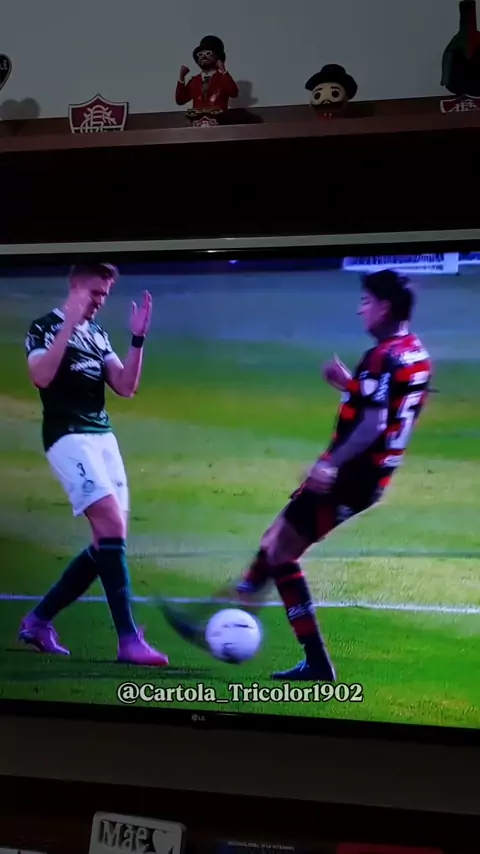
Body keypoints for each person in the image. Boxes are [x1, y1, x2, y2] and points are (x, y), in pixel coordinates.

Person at [163, 268, 432, 682]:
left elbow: (373, 425)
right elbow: (393, 407)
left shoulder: (381, 357)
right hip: (371, 475)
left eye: (366, 302)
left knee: (281, 553)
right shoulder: (415, 354)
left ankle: (310, 659)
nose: (360, 309)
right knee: (273, 541)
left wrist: (331, 464)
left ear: (385, 307)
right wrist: (350, 385)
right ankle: (228, 615)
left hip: (350, 476)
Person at [19, 262, 169, 667]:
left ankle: (37, 621)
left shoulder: (97, 334)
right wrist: (68, 324)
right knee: (111, 526)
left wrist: (137, 338)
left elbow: (125, 386)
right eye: (94, 292)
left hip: (103, 439)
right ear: (74, 285)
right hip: (67, 437)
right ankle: (128, 641)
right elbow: (41, 376)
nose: (99, 301)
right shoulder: (44, 327)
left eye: (104, 294)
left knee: (107, 541)